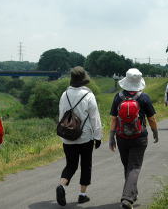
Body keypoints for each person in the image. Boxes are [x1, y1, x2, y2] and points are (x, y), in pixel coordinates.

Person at [109, 68, 159, 209]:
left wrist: (111, 137)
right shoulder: (144, 97)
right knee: (135, 167)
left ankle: (131, 194)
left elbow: (113, 119)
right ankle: (128, 198)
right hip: (139, 137)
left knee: (128, 166)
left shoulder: (118, 97)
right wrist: (155, 132)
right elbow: (152, 118)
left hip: (121, 137)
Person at [56, 66, 102, 206]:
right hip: (85, 137)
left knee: (71, 165)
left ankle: (62, 185)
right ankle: (82, 195)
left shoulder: (64, 94)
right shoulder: (88, 95)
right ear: (84, 79)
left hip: (68, 137)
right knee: (86, 165)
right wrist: (98, 136)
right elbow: (95, 118)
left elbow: (61, 115)